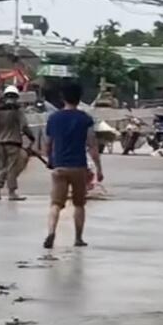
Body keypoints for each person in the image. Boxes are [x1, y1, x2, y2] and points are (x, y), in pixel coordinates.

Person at [42, 82, 103, 249]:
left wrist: (50, 160)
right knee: (79, 204)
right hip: (78, 167)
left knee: (56, 204)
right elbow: (92, 146)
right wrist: (99, 169)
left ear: (62, 98)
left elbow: (47, 144)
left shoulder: (53, 119)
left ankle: (51, 232)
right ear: (79, 98)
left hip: (59, 166)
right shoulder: (85, 119)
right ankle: (78, 238)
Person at [0, 85, 35, 201]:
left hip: (0, 143)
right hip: (13, 142)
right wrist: (31, 137)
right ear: (16, 97)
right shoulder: (18, 111)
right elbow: (24, 126)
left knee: (2, 167)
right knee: (11, 168)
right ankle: (11, 193)